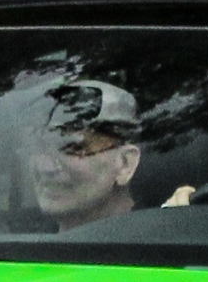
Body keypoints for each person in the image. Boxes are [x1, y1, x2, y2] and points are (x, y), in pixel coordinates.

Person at [22, 81, 141, 231]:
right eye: (38, 147)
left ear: (125, 164)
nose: (46, 167)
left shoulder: (156, 247)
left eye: (71, 147)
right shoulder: (23, 240)